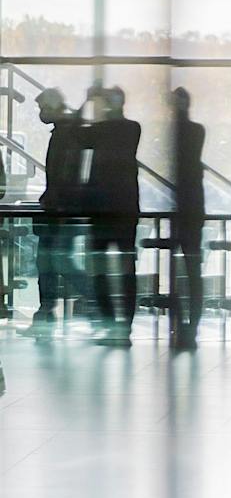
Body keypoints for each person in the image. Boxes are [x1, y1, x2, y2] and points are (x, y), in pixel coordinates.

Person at [83, 85, 143, 347]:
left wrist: (86, 103)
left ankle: (112, 326)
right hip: (125, 208)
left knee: (100, 271)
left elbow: (76, 136)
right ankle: (123, 328)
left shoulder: (105, 129)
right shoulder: (132, 128)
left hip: (101, 210)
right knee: (126, 270)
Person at [29, 88, 83, 333]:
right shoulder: (66, 131)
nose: (41, 113)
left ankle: (95, 298)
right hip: (59, 207)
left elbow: (64, 174)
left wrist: (55, 200)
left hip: (60, 209)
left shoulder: (66, 133)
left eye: (43, 108)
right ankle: (46, 313)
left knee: (54, 261)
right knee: (51, 262)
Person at [169, 88, 207, 351]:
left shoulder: (182, 132)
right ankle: (190, 326)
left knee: (182, 272)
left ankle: (184, 325)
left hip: (183, 210)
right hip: (192, 209)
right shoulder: (195, 131)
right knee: (193, 272)